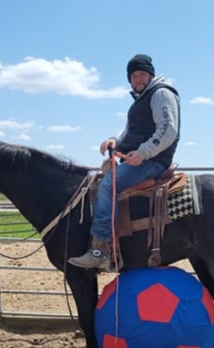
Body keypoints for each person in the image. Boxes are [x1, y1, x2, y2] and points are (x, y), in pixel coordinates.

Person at [68, 54, 181, 271]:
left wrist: (142, 153)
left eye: (142, 74)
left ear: (151, 75)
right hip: (140, 158)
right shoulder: (141, 101)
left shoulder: (161, 94)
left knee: (109, 185)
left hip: (152, 160)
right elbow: (131, 132)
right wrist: (115, 142)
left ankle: (101, 250)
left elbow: (168, 130)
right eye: (134, 76)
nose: (138, 79)